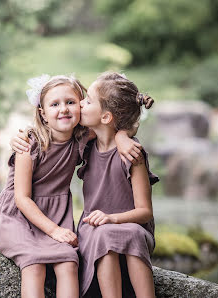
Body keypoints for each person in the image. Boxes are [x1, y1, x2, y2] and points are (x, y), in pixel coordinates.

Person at [0, 74, 139, 298]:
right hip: (18, 216)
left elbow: (114, 122)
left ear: (81, 106)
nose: (64, 109)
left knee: (69, 262)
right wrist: (55, 230)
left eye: (71, 102)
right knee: (35, 265)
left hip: (55, 213)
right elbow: (22, 198)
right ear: (42, 113)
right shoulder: (30, 144)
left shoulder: (80, 137)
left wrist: (122, 136)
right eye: (54, 104)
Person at [77, 72, 159, 298]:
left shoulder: (132, 154)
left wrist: (112, 218)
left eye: (88, 101)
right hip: (94, 228)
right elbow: (51, 129)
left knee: (128, 232)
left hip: (131, 227)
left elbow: (145, 212)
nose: (81, 104)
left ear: (105, 117)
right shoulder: (85, 142)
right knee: (104, 234)